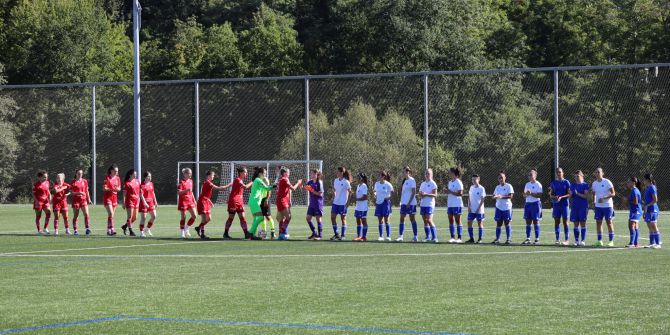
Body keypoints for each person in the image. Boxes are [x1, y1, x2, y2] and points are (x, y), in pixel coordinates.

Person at [194, 170, 228, 239]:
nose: (213, 177)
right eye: (212, 175)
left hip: (206, 201)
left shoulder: (208, 183)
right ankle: (202, 234)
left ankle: (198, 228)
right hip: (202, 202)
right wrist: (229, 185)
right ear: (209, 176)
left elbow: (204, 194)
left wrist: (209, 201)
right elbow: (219, 188)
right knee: (203, 219)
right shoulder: (207, 183)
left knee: (209, 218)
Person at [224, 167, 253, 239]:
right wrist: (252, 181)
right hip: (233, 201)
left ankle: (246, 234)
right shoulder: (237, 180)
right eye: (245, 172)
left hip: (239, 202)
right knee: (231, 218)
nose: (246, 174)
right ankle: (225, 233)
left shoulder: (241, 180)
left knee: (242, 218)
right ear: (241, 173)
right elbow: (246, 187)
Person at [275, 167, 302, 240]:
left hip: (281, 200)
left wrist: (289, 200)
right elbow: (293, 188)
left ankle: (281, 235)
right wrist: (298, 183)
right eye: (288, 172)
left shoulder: (281, 180)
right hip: (282, 201)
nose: (289, 174)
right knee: (288, 217)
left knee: (282, 218)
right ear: (284, 173)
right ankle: (282, 232)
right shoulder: (284, 179)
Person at [248, 167, 275, 240]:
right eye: (264, 173)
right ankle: (250, 232)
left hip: (253, 201)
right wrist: (274, 186)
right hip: (255, 202)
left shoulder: (257, 180)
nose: (265, 174)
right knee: (260, 217)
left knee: (255, 218)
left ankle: (252, 235)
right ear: (260, 174)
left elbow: (266, 188)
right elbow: (267, 188)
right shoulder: (258, 180)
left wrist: (273, 186)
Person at [592, 167, 616, 247]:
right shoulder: (594, 183)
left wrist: (604, 198)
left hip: (608, 206)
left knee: (609, 222)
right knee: (598, 222)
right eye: (596, 172)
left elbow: (613, 193)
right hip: (598, 207)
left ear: (602, 173)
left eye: (598, 172)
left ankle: (611, 241)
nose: (597, 174)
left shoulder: (607, 182)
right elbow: (594, 194)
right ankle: (599, 241)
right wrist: (595, 201)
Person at [549, 167, 571, 245]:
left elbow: (570, 194)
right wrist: (554, 197)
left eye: (560, 172)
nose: (559, 174)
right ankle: (557, 239)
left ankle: (567, 240)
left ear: (563, 173)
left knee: (565, 222)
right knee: (557, 222)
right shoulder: (553, 183)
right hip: (556, 205)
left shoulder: (566, 182)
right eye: (557, 172)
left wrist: (562, 197)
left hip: (564, 204)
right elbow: (550, 194)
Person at [330, 167, 352, 241]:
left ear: (342, 172)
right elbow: (335, 190)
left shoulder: (346, 182)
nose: (337, 173)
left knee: (343, 219)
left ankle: (343, 235)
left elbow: (350, 192)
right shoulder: (336, 180)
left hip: (343, 203)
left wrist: (348, 203)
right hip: (335, 203)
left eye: (338, 172)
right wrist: (333, 197)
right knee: (332, 217)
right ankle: (336, 234)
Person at [492, 171, 514, 244]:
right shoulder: (497, 187)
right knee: (498, 223)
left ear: (505, 178)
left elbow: (510, 196)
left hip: (507, 208)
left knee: (507, 223)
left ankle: (508, 239)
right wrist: (494, 197)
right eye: (499, 178)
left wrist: (501, 196)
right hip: (499, 207)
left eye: (502, 177)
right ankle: (497, 239)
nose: (500, 179)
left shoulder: (509, 186)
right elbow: (493, 195)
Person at [522, 169, 543, 245]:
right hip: (528, 204)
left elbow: (540, 195)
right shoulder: (527, 184)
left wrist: (531, 193)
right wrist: (526, 194)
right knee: (528, 221)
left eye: (531, 175)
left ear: (535, 175)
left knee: (536, 221)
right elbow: (524, 195)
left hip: (535, 204)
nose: (530, 176)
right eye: (529, 175)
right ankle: (528, 238)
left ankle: (537, 239)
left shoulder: (538, 184)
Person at [396, 166, 417, 242]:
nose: (403, 173)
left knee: (412, 219)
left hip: (411, 204)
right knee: (402, 218)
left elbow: (414, 192)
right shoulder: (404, 181)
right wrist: (401, 202)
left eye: (405, 171)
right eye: (403, 171)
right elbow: (403, 193)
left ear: (408, 172)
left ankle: (415, 236)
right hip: (404, 203)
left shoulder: (412, 180)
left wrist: (409, 202)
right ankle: (401, 236)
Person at [570, 170, 589, 246]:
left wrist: (577, 193)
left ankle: (583, 240)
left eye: (578, 176)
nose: (576, 177)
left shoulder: (585, 185)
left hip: (583, 207)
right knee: (575, 224)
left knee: (583, 223)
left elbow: (586, 196)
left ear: (582, 176)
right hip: (574, 206)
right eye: (575, 176)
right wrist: (570, 194)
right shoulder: (572, 185)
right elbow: (570, 196)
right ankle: (576, 241)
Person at [418, 168, 438, 243]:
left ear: (431, 175)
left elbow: (435, 195)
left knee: (429, 220)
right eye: (426, 173)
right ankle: (428, 237)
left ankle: (435, 237)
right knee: (425, 221)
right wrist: (421, 194)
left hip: (430, 204)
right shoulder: (423, 183)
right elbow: (420, 193)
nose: (427, 175)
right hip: (423, 204)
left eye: (428, 173)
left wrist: (426, 194)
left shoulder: (433, 183)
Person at [70, 169, 92, 235]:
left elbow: (86, 191)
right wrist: (78, 193)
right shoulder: (73, 182)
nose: (80, 175)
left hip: (83, 200)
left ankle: (87, 228)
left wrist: (89, 199)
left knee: (86, 214)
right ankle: (75, 230)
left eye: (81, 173)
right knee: (76, 216)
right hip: (76, 201)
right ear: (76, 174)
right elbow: (71, 193)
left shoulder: (84, 181)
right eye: (79, 173)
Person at [465, 174, 486, 243]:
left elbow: (482, 199)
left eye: (475, 179)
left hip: (479, 210)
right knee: (469, 222)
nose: (473, 181)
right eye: (472, 179)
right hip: (472, 209)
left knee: (480, 223)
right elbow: (469, 198)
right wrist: (468, 206)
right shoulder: (471, 187)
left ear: (478, 179)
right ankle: (471, 239)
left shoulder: (481, 188)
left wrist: (478, 208)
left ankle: (480, 239)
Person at [643, 174, 662, 249]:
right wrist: (645, 209)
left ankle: (658, 244)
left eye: (644, 179)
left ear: (648, 180)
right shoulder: (647, 188)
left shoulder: (652, 187)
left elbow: (655, 200)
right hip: (648, 210)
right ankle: (652, 243)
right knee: (649, 226)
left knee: (653, 226)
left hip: (653, 210)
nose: (643, 181)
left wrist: (647, 205)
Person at [374, 171, 394, 242]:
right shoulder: (376, 184)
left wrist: (388, 198)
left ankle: (388, 236)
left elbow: (392, 193)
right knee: (380, 220)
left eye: (380, 175)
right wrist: (375, 194)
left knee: (386, 220)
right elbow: (375, 191)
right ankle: (381, 236)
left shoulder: (388, 184)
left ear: (383, 177)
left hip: (385, 203)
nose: (379, 177)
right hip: (378, 203)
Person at [177, 168, 197, 238]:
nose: (190, 174)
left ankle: (187, 227)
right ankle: (182, 232)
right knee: (183, 217)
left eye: (191, 173)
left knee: (194, 215)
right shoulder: (181, 182)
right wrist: (187, 190)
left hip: (190, 201)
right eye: (189, 173)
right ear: (185, 174)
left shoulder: (191, 181)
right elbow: (179, 192)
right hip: (183, 201)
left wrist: (194, 200)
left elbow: (191, 192)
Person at [446, 167, 464, 243]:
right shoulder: (450, 182)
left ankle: (459, 238)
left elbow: (461, 193)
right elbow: (450, 192)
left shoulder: (458, 182)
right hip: (450, 204)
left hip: (457, 204)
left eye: (450, 172)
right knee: (451, 220)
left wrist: (450, 192)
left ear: (454, 173)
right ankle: (452, 237)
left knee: (458, 220)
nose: (449, 174)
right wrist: (447, 192)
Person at [305, 169, 325, 240]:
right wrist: (301, 186)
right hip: (312, 203)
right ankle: (314, 233)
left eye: (313, 174)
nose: (311, 175)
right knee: (308, 218)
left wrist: (312, 191)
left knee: (318, 218)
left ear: (317, 174)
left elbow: (320, 194)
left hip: (318, 203)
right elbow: (305, 188)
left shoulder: (319, 182)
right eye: (311, 173)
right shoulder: (309, 182)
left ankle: (320, 235)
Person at [138, 171, 158, 238]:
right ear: (145, 177)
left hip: (151, 202)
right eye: (148, 176)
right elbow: (141, 195)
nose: (150, 178)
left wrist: (155, 201)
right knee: (143, 218)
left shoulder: (151, 184)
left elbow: (153, 193)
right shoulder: (142, 185)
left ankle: (148, 228)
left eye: (150, 176)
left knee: (154, 216)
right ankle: (141, 232)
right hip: (144, 203)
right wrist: (145, 202)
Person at [103, 164, 121, 235]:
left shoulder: (118, 178)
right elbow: (104, 188)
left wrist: (117, 189)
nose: (116, 172)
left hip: (114, 198)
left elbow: (119, 188)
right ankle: (112, 228)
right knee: (111, 213)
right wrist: (111, 189)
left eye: (117, 171)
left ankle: (108, 229)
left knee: (111, 215)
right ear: (111, 171)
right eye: (115, 171)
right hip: (108, 197)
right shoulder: (107, 177)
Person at [121, 169, 140, 236]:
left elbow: (138, 192)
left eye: (136, 174)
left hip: (136, 201)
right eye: (134, 174)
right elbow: (124, 194)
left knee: (135, 217)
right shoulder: (127, 183)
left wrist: (139, 199)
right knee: (130, 216)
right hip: (129, 201)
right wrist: (123, 202)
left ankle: (125, 226)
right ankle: (131, 231)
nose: (135, 175)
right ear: (130, 175)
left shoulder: (137, 181)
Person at [626, 177, 643, 248]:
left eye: (629, 182)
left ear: (633, 183)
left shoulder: (634, 191)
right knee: (635, 226)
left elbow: (635, 202)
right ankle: (635, 243)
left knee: (631, 226)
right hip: (635, 210)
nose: (627, 183)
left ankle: (632, 243)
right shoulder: (634, 190)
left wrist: (626, 200)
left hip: (636, 211)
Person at [33, 170, 51, 234]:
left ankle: (45, 228)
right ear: (40, 177)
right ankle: (39, 230)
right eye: (44, 177)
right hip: (38, 202)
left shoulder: (47, 182)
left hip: (45, 201)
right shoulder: (36, 185)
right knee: (38, 216)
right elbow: (34, 194)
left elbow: (48, 190)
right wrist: (36, 201)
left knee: (49, 213)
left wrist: (50, 196)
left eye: (46, 177)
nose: (46, 178)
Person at [353, 173, 369, 242]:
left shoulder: (364, 186)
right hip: (358, 207)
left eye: (357, 177)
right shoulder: (358, 186)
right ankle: (359, 236)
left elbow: (365, 197)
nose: (356, 179)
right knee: (358, 221)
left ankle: (364, 237)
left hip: (363, 207)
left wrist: (357, 199)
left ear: (361, 178)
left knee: (363, 221)